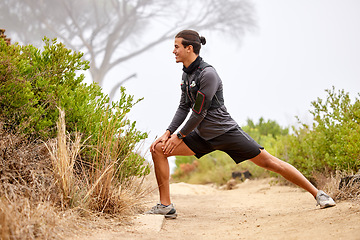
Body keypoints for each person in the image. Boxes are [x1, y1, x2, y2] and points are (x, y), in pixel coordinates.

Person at [146, 30, 335, 219]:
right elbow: (183, 106)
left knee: (270, 162)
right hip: (202, 136)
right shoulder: (187, 75)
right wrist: (168, 132)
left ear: (189, 48)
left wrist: (179, 136)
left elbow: (199, 112)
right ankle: (166, 206)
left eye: (176, 47)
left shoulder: (208, 74)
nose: (173, 51)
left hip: (226, 132)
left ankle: (318, 193)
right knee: (158, 149)